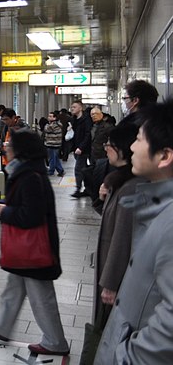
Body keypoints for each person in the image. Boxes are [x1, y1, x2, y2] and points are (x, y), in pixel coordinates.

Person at [0, 130, 69, 357]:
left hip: (35, 251)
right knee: (14, 287)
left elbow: (31, 216)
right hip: (28, 252)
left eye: (10, 143)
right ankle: (2, 326)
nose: (6, 146)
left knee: (41, 295)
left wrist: (6, 211)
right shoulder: (27, 173)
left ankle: (56, 342)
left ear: (21, 149)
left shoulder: (29, 177)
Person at [95, 100, 173, 364]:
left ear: (164, 156)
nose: (132, 147)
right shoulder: (157, 203)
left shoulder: (168, 221)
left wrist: (127, 356)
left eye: (139, 140)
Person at [81, 124, 142, 365]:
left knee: (109, 330)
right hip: (112, 273)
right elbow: (108, 218)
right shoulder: (121, 182)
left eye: (110, 145)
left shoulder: (132, 188)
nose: (106, 149)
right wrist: (101, 196)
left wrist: (110, 282)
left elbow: (122, 238)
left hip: (116, 279)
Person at [70, 100, 92, 198]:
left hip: (83, 149)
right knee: (84, 169)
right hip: (76, 148)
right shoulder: (73, 119)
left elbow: (88, 135)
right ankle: (89, 188)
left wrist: (81, 147)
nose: (72, 109)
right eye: (72, 107)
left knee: (78, 169)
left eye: (74, 107)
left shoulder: (86, 119)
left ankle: (78, 189)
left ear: (80, 108)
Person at [43, 111, 65, 177]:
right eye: (48, 116)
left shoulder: (52, 125)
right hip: (56, 143)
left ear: (55, 118)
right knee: (55, 158)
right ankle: (60, 170)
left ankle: (51, 171)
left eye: (50, 116)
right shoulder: (59, 124)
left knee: (52, 158)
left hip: (51, 143)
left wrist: (46, 125)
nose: (48, 117)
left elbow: (46, 129)